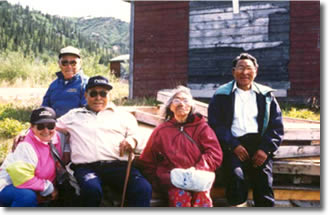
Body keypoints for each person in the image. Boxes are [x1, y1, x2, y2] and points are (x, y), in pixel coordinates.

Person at [55, 75, 152, 207]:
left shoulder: (123, 116)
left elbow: (138, 135)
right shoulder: (73, 115)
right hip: (86, 167)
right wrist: (25, 133)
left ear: (108, 95)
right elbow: (49, 126)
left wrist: (132, 140)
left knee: (143, 188)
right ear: (86, 95)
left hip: (118, 166)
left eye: (103, 93)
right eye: (93, 93)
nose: (98, 98)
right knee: (91, 190)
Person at [208, 53, 284, 207]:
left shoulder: (266, 96)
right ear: (233, 71)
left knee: (264, 181)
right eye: (240, 68)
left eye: (249, 68)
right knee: (236, 177)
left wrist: (265, 149)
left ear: (255, 71)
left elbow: (276, 126)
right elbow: (216, 124)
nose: (244, 73)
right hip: (233, 145)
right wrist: (233, 145)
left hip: (259, 145)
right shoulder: (222, 95)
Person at [139, 86, 223, 207]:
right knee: (180, 197)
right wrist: (160, 180)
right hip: (173, 181)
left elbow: (214, 153)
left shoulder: (202, 127)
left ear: (191, 106)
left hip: (198, 177)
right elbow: (147, 160)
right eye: (177, 100)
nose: (181, 104)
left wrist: (197, 170)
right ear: (170, 106)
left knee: (202, 197)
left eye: (185, 100)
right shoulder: (161, 131)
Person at [0, 107, 62, 207]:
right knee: (27, 197)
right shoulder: (26, 145)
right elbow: (21, 178)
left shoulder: (56, 137)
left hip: (36, 186)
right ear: (32, 127)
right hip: (10, 185)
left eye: (50, 125)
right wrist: (49, 188)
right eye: (40, 126)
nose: (46, 130)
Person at [42, 46, 88, 118]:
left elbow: (87, 112)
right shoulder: (53, 85)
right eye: (64, 63)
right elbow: (44, 108)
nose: (69, 66)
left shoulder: (86, 84)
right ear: (59, 64)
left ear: (80, 64)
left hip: (76, 126)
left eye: (73, 63)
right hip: (54, 126)